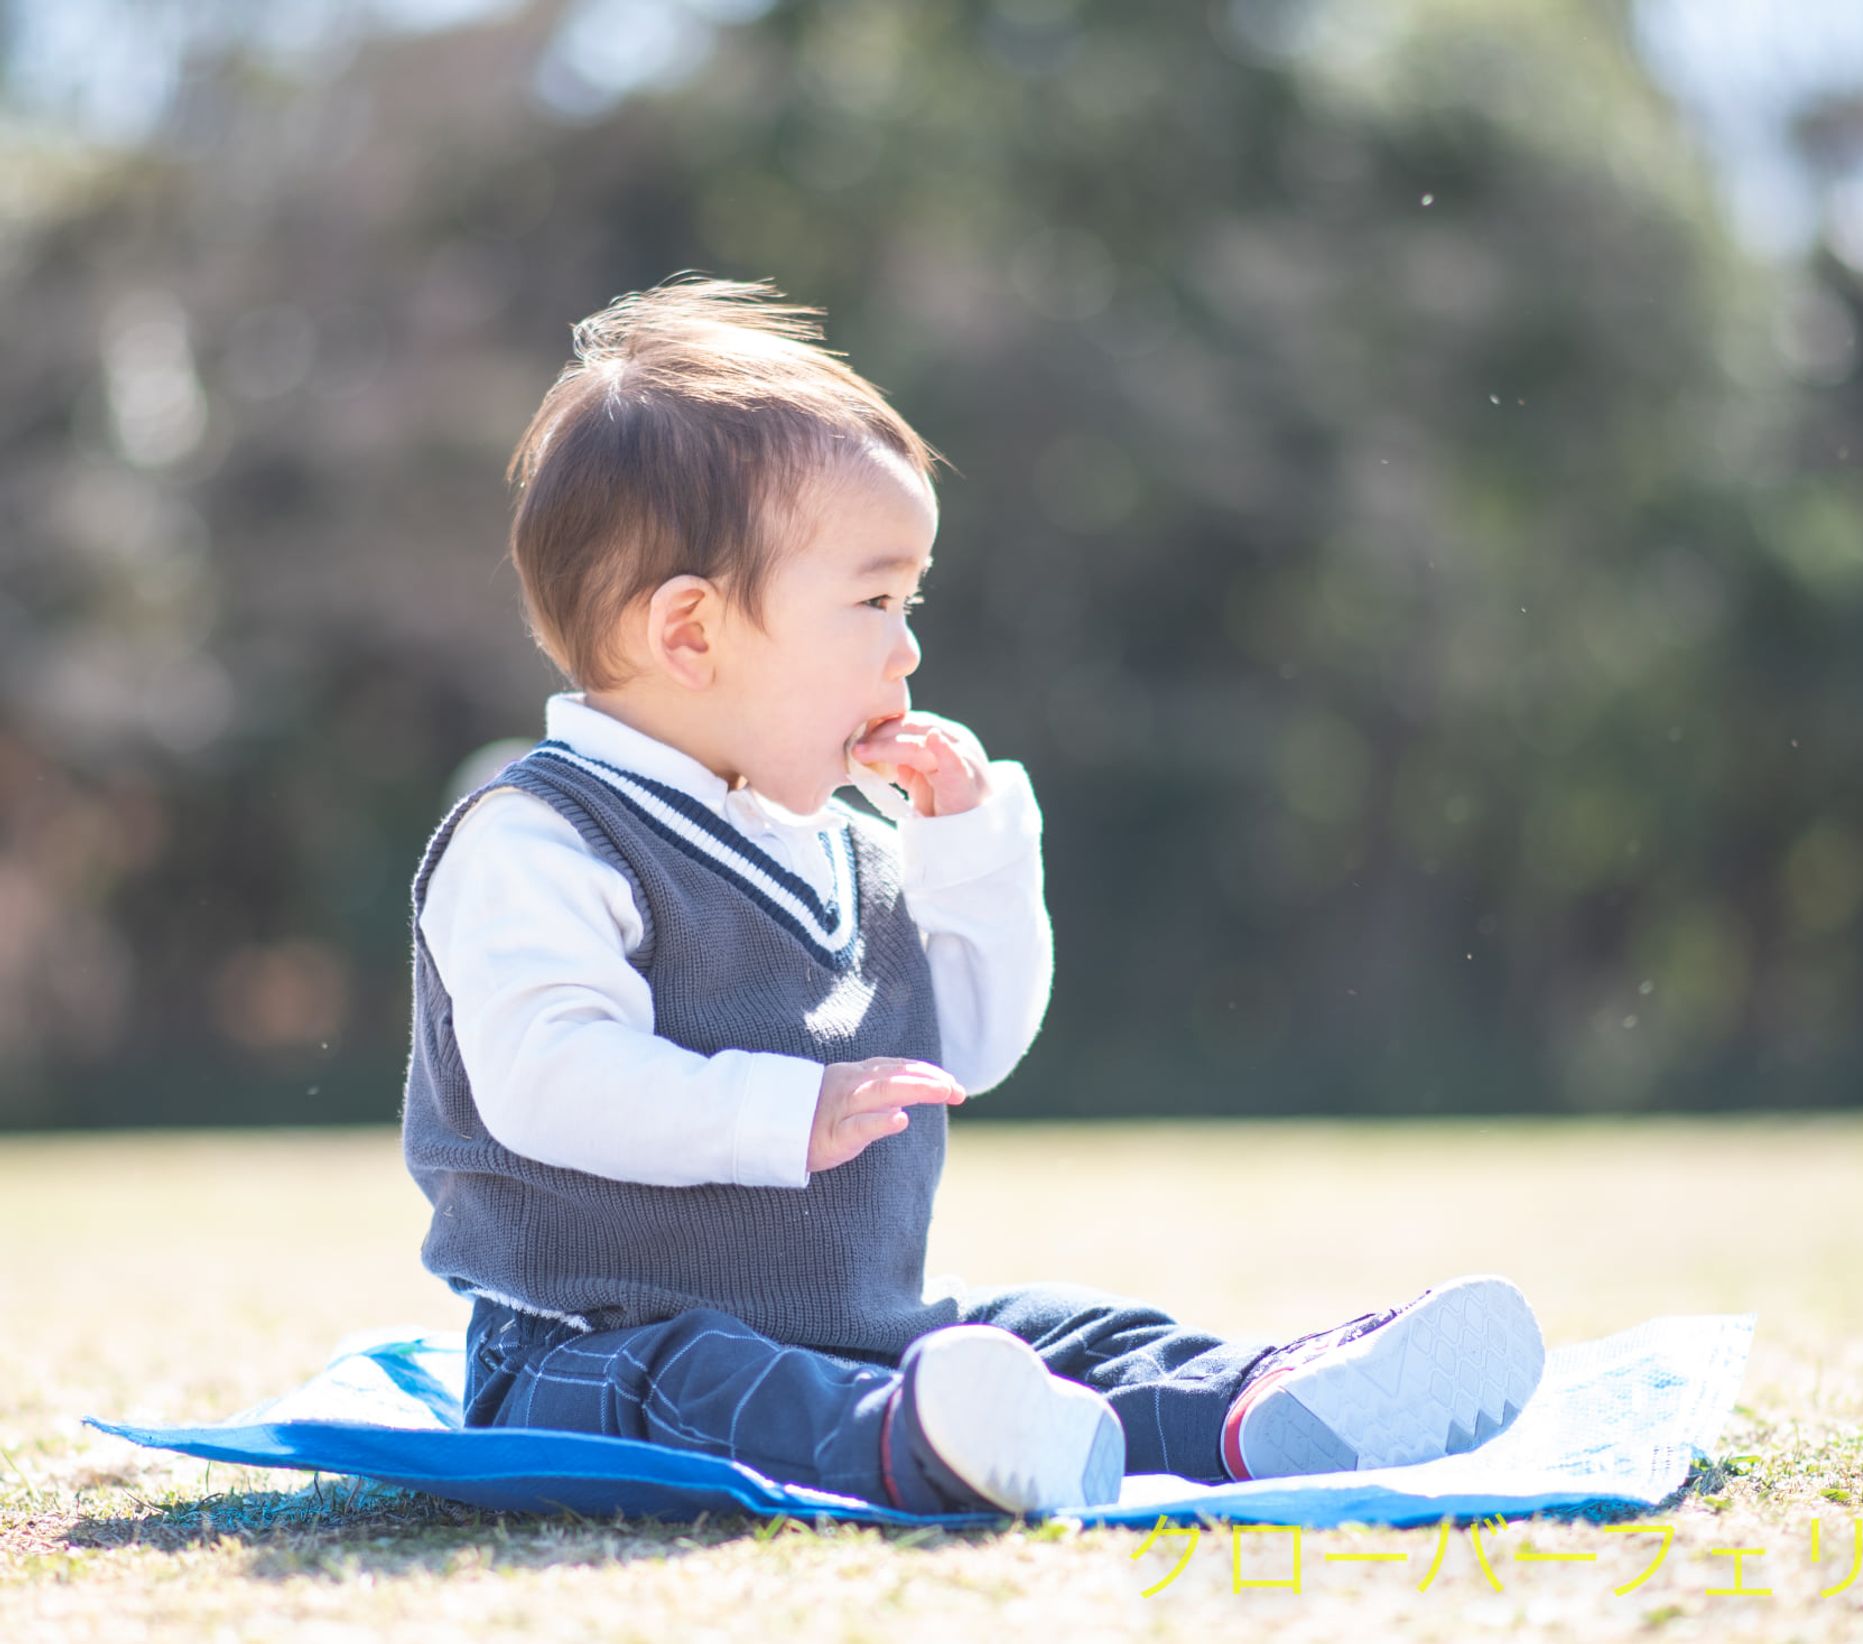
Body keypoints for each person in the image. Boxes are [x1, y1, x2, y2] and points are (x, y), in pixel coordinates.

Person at [399, 276, 1547, 1516]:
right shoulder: (543, 838)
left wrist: (970, 849)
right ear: (690, 634)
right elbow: (549, 1079)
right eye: (874, 602)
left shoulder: (842, 847)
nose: (908, 649)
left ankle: (1255, 1406)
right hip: (591, 1346)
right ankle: (926, 1442)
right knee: (716, 1382)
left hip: (860, 1325)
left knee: (1053, 1331)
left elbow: (971, 1047)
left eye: (911, 603)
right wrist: (784, 1110)